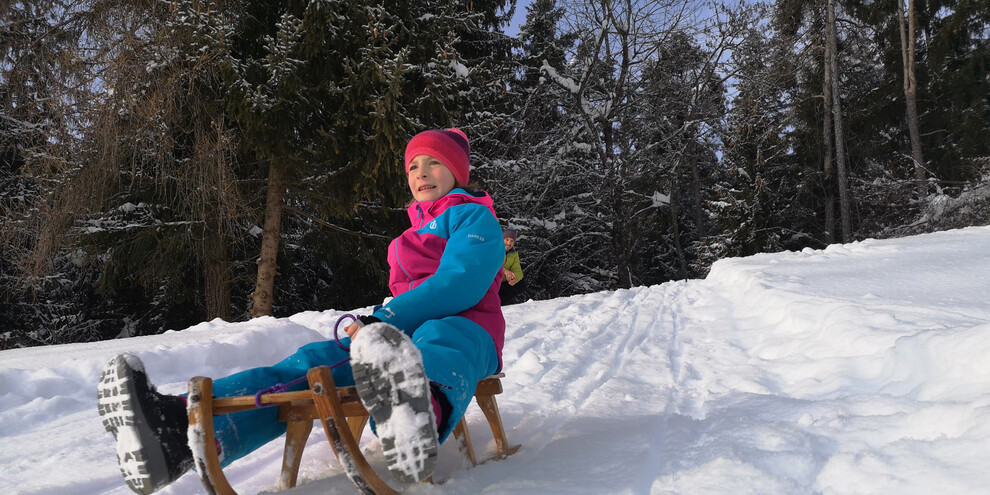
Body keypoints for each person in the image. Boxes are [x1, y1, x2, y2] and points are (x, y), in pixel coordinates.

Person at [97, 128, 506, 495]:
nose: (421, 171)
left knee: (441, 340)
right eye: (413, 165)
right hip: (399, 335)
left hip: (469, 328)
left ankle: (417, 422)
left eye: (435, 162)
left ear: (458, 172)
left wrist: (389, 318)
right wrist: (375, 324)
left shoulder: (474, 215)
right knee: (312, 365)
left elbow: (461, 282)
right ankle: (174, 434)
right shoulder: (405, 237)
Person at [498, 228, 525, 305]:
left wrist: (514, 278)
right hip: (493, 281)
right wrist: (505, 271)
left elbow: (518, 270)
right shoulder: (495, 249)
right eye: (506, 240)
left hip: (504, 283)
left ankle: (500, 303)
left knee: (522, 283)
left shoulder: (514, 253)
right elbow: (491, 265)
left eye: (511, 241)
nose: (509, 243)